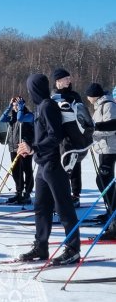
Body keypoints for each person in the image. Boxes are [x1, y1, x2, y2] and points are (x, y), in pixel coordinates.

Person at [18, 74, 81, 265]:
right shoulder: (40, 107)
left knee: (63, 207)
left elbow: (56, 136)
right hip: (42, 164)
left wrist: (35, 148)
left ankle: (73, 249)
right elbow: (43, 135)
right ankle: (41, 246)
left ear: (34, 89)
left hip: (54, 164)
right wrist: (30, 145)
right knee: (41, 207)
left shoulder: (47, 106)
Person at [86, 83, 116, 240]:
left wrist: (94, 129)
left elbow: (112, 126)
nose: (88, 99)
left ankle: (114, 220)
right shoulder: (101, 105)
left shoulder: (108, 105)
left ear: (93, 95)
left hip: (109, 149)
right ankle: (110, 213)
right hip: (103, 148)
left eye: (89, 96)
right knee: (105, 181)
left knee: (104, 181)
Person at [53, 68, 84, 207]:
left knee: (75, 164)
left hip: (74, 135)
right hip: (58, 136)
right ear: (58, 81)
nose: (69, 80)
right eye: (66, 78)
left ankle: (75, 195)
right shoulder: (53, 95)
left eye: (69, 78)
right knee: (60, 166)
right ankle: (60, 194)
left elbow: (81, 113)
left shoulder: (74, 95)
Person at [0, 96, 35, 205]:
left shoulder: (28, 116)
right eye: (14, 105)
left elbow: (20, 118)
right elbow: (2, 119)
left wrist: (20, 108)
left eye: (17, 105)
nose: (15, 107)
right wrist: (9, 106)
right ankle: (19, 192)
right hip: (13, 147)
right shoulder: (13, 117)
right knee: (15, 171)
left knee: (27, 169)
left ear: (22, 105)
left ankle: (27, 193)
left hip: (25, 146)